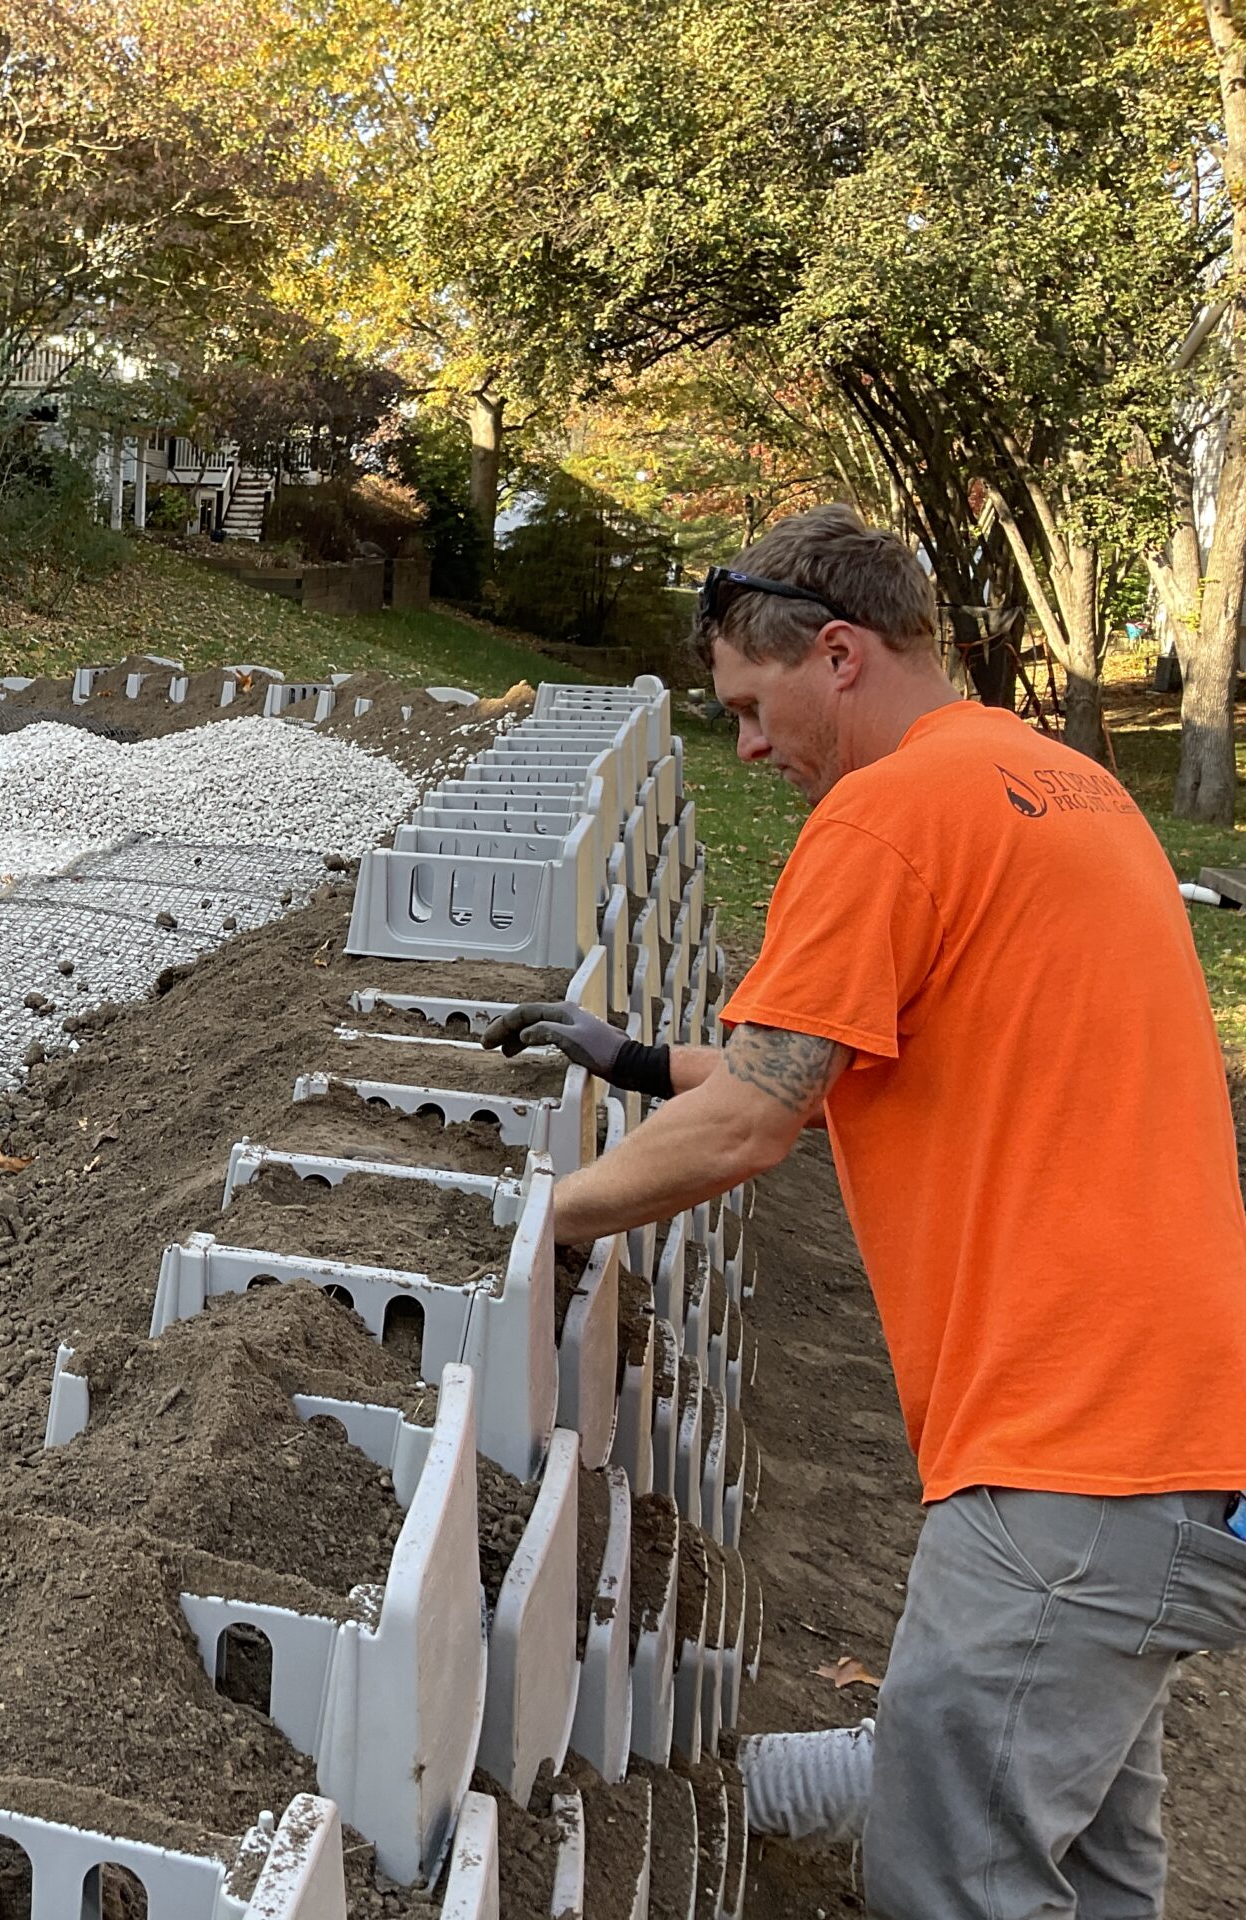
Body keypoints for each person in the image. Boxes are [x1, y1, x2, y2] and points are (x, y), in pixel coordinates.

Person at [482, 503, 1246, 1918]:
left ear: (838, 655)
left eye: (752, 707)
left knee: (947, 1877)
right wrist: (642, 1063)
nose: (750, 747)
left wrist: (539, 1223)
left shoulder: (887, 814)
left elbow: (759, 1121)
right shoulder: (1047, 781)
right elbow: (837, 1061)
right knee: (1088, 1868)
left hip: (1073, 1458)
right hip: (1181, 1445)